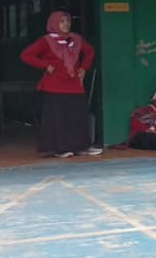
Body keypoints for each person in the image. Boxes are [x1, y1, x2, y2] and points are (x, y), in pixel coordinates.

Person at [20, 10, 100, 158]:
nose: (66, 24)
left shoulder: (76, 39)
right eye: (62, 21)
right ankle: (60, 149)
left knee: (78, 116)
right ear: (54, 23)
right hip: (55, 85)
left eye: (67, 21)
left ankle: (81, 147)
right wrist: (45, 65)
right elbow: (26, 55)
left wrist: (84, 68)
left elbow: (90, 52)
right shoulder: (46, 41)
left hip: (75, 84)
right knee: (58, 118)